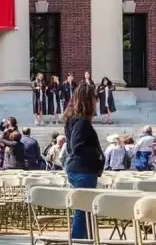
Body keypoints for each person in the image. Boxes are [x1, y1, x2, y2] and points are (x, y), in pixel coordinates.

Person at [63, 83, 104, 240]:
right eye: (94, 98)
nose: (96, 102)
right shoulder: (81, 123)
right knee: (83, 208)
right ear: (88, 100)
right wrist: (97, 155)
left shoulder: (74, 120)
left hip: (78, 168)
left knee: (83, 208)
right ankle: (79, 240)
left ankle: (85, 239)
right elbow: (77, 146)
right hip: (83, 169)